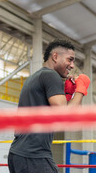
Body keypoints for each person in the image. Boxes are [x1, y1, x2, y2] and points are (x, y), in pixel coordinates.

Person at [8, 39, 91, 173]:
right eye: (70, 60)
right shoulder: (51, 76)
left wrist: (69, 95)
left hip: (19, 154)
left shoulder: (36, 77)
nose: (72, 65)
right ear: (55, 56)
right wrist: (81, 90)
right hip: (34, 155)